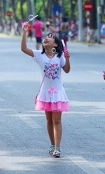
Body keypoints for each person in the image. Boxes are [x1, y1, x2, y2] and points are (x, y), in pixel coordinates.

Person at [21, 24, 71, 158]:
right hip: (45, 93)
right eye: (45, 37)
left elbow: (66, 70)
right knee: (49, 120)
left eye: (50, 37)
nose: (46, 38)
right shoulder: (39, 55)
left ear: (55, 44)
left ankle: (58, 147)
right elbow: (24, 49)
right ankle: (52, 144)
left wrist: (68, 58)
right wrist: (24, 33)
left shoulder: (59, 56)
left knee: (57, 120)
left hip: (58, 92)